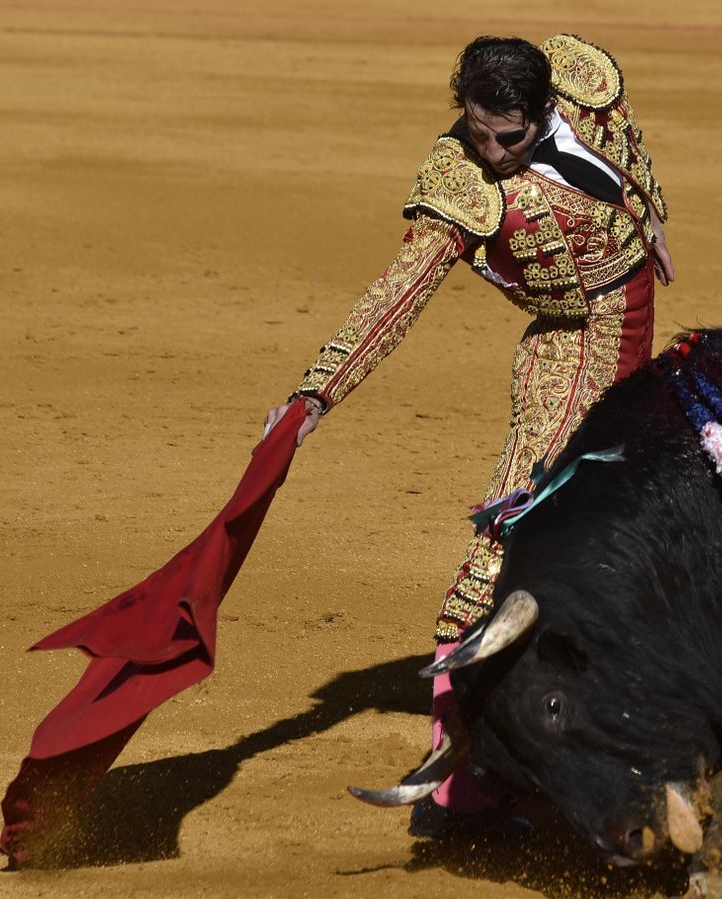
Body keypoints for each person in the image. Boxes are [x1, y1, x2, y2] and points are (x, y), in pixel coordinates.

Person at [262, 34, 672, 828]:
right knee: (509, 532)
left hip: (632, 333)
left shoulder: (583, 79)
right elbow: (396, 295)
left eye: (508, 139)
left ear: (547, 107)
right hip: (571, 348)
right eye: (478, 133)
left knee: (628, 526)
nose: (492, 154)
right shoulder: (460, 183)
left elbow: (627, 140)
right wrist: (314, 395)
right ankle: (456, 785)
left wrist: (651, 218)